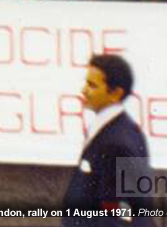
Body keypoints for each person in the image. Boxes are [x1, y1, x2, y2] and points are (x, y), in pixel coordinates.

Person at [62, 54, 155, 226]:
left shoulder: (116, 143)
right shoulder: (120, 130)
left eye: (92, 85)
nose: (84, 90)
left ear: (116, 93)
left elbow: (119, 215)